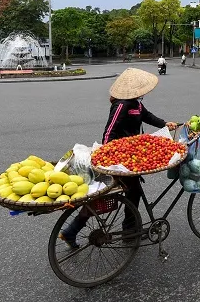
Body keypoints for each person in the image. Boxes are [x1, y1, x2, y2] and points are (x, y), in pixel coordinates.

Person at [59, 68, 178, 248]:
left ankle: (124, 231)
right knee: (111, 195)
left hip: (132, 155)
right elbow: (109, 130)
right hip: (118, 157)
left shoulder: (136, 104)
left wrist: (164, 124)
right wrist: (107, 155)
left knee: (131, 192)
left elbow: (147, 116)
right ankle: (125, 232)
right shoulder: (121, 104)